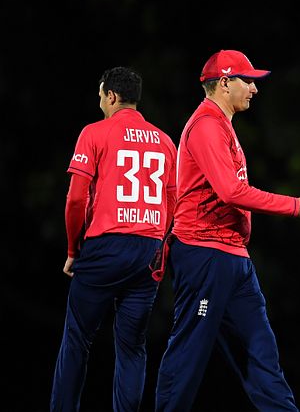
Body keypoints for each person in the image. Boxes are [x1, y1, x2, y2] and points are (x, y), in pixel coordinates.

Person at [154, 49, 300, 412]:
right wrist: (294, 205)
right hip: (203, 253)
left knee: (262, 354)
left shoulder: (221, 124)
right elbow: (231, 191)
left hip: (233, 256)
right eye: (248, 81)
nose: (254, 89)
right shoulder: (206, 126)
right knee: (188, 353)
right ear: (225, 82)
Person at [51, 66, 178, 411]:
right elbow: (173, 201)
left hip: (106, 245)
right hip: (148, 250)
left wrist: (73, 248)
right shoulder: (166, 141)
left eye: (100, 97)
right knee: (132, 346)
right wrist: (161, 246)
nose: (100, 103)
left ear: (111, 95)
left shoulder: (95, 132)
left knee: (77, 339)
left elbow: (76, 199)